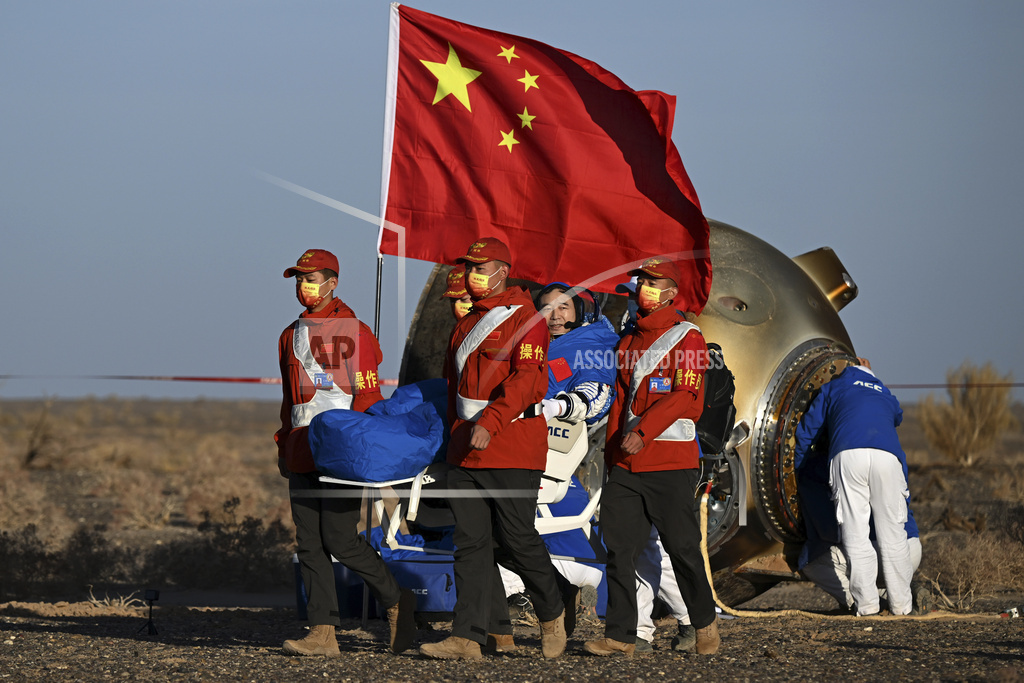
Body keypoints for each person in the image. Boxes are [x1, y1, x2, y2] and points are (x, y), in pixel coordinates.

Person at [419, 237, 568, 661]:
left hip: (512, 447)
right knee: (470, 544)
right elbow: (455, 392)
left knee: (519, 539)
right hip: (466, 451)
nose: (472, 275)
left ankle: (552, 611)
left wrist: (491, 421)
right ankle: (467, 637)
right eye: (469, 268)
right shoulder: (465, 324)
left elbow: (528, 382)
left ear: (503, 271)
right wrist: (453, 442)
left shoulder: (527, 320)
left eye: (480, 268)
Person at [275, 248, 416, 656]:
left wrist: (363, 452)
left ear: (332, 282)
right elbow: (290, 400)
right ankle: (322, 632)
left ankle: (395, 600)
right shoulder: (289, 334)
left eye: (312, 278)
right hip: (301, 449)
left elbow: (368, 397)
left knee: (339, 539)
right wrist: (283, 443)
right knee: (309, 543)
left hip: (341, 453)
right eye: (299, 279)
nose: (305, 286)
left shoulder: (357, 330)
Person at [584, 257, 720, 657]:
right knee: (619, 548)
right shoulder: (627, 341)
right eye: (641, 279)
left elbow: (687, 398)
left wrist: (643, 433)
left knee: (681, 548)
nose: (644, 286)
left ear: (672, 292)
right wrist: (612, 455)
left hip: (670, 465)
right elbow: (620, 406)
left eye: (652, 280)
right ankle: (622, 635)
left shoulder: (689, 339)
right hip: (626, 466)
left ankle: (705, 623)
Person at [793, 357, 915, 616]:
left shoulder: (834, 387)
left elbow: (807, 430)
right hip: (887, 457)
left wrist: (800, 467)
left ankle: (868, 605)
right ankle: (902, 606)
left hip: (848, 455)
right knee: (892, 533)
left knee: (855, 532)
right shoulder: (883, 391)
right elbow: (898, 416)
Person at [534, 282, 619, 424]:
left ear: (579, 311)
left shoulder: (591, 347)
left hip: (557, 431)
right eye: (547, 309)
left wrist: (558, 407)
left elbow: (595, 392)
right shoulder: (531, 343)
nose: (555, 316)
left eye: (563, 307)